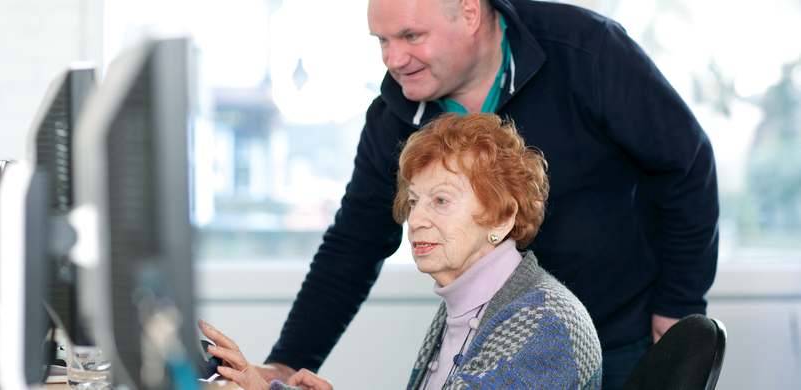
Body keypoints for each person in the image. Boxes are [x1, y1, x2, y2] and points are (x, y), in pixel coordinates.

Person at [259, 0, 719, 389]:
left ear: (469, 11)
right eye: (381, 40)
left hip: (620, 329)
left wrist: (678, 304)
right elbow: (353, 244)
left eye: (411, 36)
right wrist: (285, 363)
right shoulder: (392, 115)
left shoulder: (586, 51)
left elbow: (686, 164)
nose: (393, 59)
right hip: (494, 338)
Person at [203, 113, 603, 390]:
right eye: (414, 201)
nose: (417, 220)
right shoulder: (471, 306)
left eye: (441, 201)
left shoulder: (542, 326)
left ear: (502, 218)